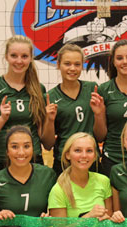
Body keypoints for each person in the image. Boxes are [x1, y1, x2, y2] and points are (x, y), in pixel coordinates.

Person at [0, 35, 47, 183]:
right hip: (0, 161)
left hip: (32, 161)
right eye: (14, 55)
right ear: (6, 57)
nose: (19, 61)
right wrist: (2, 119)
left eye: (24, 56)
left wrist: (50, 121)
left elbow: (45, 140)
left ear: (30, 58)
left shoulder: (38, 90)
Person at [90, 39, 127, 176]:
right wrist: (99, 114)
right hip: (113, 157)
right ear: (113, 61)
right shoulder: (103, 90)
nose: (125, 62)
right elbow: (100, 136)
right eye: (119, 58)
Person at [41, 44, 97, 176]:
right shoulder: (50, 97)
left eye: (77, 64)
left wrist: (99, 113)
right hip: (64, 161)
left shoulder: (92, 89)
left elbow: (100, 134)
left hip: (90, 158)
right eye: (67, 64)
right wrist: (49, 120)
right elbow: (48, 145)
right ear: (58, 64)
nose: (72, 68)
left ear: (82, 65)